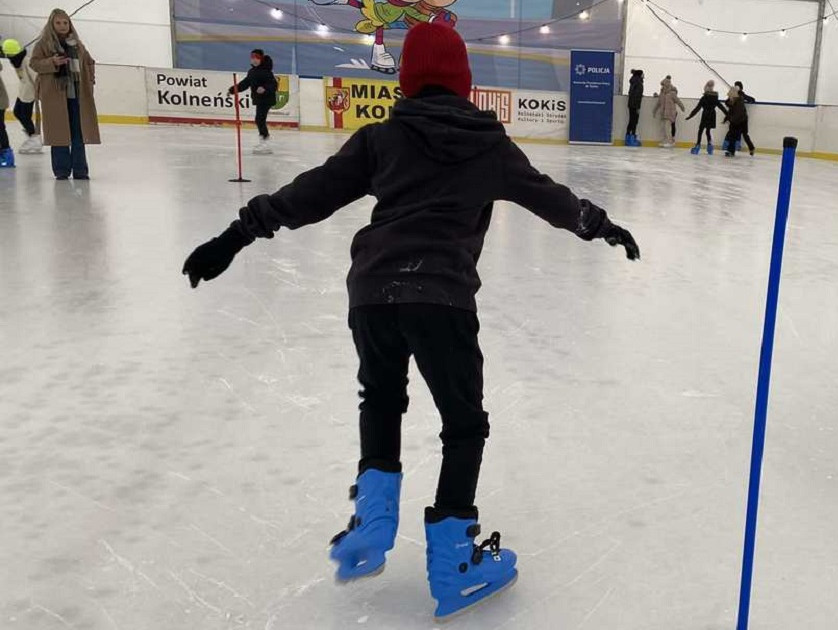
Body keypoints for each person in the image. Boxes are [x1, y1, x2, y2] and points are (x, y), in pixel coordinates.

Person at [181, 22, 640, 620]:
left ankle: (373, 524)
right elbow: (550, 199)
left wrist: (235, 236)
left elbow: (309, 195)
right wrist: (601, 226)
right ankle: (453, 564)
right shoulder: (488, 144)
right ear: (464, 81)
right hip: (442, 296)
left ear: (406, 80)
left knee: (380, 399)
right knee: (464, 423)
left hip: (372, 292)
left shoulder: (383, 138)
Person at [30, 9, 100, 180]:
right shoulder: (44, 44)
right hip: (55, 95)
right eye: (58, 23)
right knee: (59, 133)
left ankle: (80, 170)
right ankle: (61, 171)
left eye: (65, 23)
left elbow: (89, 62)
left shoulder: (77, 45)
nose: (62, 26)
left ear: (70, 25)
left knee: (79, 132)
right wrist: (52, 62)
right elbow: (34, 63)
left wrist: (90, 81)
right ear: (52, 25)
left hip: (77, 95)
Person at [227, 49, 279, 154]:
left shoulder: (266, 71)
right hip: (259, 99)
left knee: (259, 119)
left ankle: (265, 141)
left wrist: (264, 88)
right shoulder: (252, 72)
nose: (254, 60)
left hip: (267, 99)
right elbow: (245, 84)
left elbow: (274, 85)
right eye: (253, 58)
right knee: (259, 119)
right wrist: (232, 90)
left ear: (261, 59)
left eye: (257, 58)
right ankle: (264, 140)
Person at [4, 39, 44, 154]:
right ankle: (32, 134)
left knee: (24, 115)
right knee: (17, 112)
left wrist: (40, 94)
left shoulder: (27, 62)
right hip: (23, 92)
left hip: (30, 94)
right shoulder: (18, 61)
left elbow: (36, 78)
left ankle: (35, 138)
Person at [686, 80, 727, 155]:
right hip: (712, 115)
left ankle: (698, 145)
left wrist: (690, 116)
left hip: (706, 114)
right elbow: (721, 107)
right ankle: (710, 146)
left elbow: (697, 108)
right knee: (708, 131)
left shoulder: (704, 98)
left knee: (700, 130)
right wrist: (727, 115)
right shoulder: (715, 98)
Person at [652, 75, 684, 148]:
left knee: (667, 127)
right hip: (663, 113)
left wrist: (682, 107)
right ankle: (665, 140)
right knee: (663, 127)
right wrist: (654, 111)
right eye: (662, 85)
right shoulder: (662, 94)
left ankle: (670, 141)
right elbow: (658, 103)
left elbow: (678, 101)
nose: (663, 87)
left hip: (670, 113)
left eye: (664, 85)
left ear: (668, 85)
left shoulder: (672, 93)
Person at [722, 85, 755, 157]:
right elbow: (730, 110)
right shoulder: (732, 100)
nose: (728, 94)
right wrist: (726, 118)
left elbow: (738, 113)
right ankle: (731, 151)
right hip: (736, 119)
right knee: (732, 135)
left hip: (742, 120)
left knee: (743, 134)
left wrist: (732, 120)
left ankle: (751, 148)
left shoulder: (739, 100)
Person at [624, 68, 643, 147]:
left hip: (631, 104)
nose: (643, 75)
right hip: (635, 105)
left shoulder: (634, 81)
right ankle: (631, 139)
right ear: (640, 75)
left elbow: (632, 93)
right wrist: (638, 107)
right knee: (634, 121)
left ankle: (628, 138)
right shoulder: (638, 83)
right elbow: (637, 96)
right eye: (642, 74)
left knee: (631, 120)